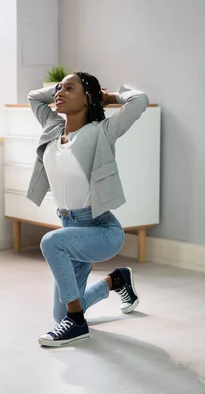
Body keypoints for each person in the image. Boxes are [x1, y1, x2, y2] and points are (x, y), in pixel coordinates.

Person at [26, 71, 149, 347]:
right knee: (62, 313)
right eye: (58, 88)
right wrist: (63, 90)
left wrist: (108, 96)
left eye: (69, 89)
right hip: (70, 229)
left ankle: (77, 324)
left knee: (50, 243)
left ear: (88, 98)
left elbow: (139, 100)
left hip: (101, 230)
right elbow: (34, 97)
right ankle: (116, 280)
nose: (59, 93)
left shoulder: (102, 132)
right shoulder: (53, 126)